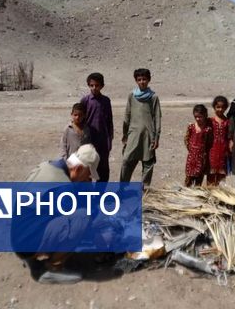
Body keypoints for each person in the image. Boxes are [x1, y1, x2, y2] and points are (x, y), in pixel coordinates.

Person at [13, 144, 100, 284]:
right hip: (27, 241)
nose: (88, 179)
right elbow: (84, 217)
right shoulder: (65, 187)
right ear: (78, 168)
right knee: (83, 217)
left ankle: (31, 255)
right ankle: (51, 268)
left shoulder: (49, 166)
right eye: (88, 175)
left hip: (18, 235)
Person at [120, 69, 162, 187]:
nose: (142, 82)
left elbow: (157, 117)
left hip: (148, 135)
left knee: (148, 163)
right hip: (133, 134)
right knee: (127, 161)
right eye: (139, 80)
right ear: (136, 81)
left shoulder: (153, 97)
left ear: (149, 80)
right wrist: (125, 134)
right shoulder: (132, 96)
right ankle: (122, 188)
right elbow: (127, 115)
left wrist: (156, 137)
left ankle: (144, 189)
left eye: (144, 79)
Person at [80, 72, 114, 182]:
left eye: (97, 85)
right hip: (88, 139)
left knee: (103, 169)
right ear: (88, 85)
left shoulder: (106, 101)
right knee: (87, 168)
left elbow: (109, 120)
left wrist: (110, 138)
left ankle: (99, 195)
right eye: (92, 85)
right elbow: (80, 119)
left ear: (102, 86)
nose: (94, 88)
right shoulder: (85, 101)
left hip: (103, 139)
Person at [184, 104, 213, 187]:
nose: (198, 119)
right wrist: (191, 148)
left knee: (199, 179)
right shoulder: (191, 127)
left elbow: (209, 143)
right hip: (191, 157)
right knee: (188, 178)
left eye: (200, 117)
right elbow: (186, 138)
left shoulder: (207, 130)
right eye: (196, 117)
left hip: (201, 158)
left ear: (205, 116)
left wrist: (203, 152)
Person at [208, 96, 229, 187]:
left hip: (223, 151)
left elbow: (229, 136)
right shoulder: (210, 121)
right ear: (214, 107)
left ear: (225, 108)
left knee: (221, 176)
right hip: (212, 150)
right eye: (218, 107)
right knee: (211, 173)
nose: (220, 109)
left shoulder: (227, 121)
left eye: (222, 107)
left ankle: (219, 195)